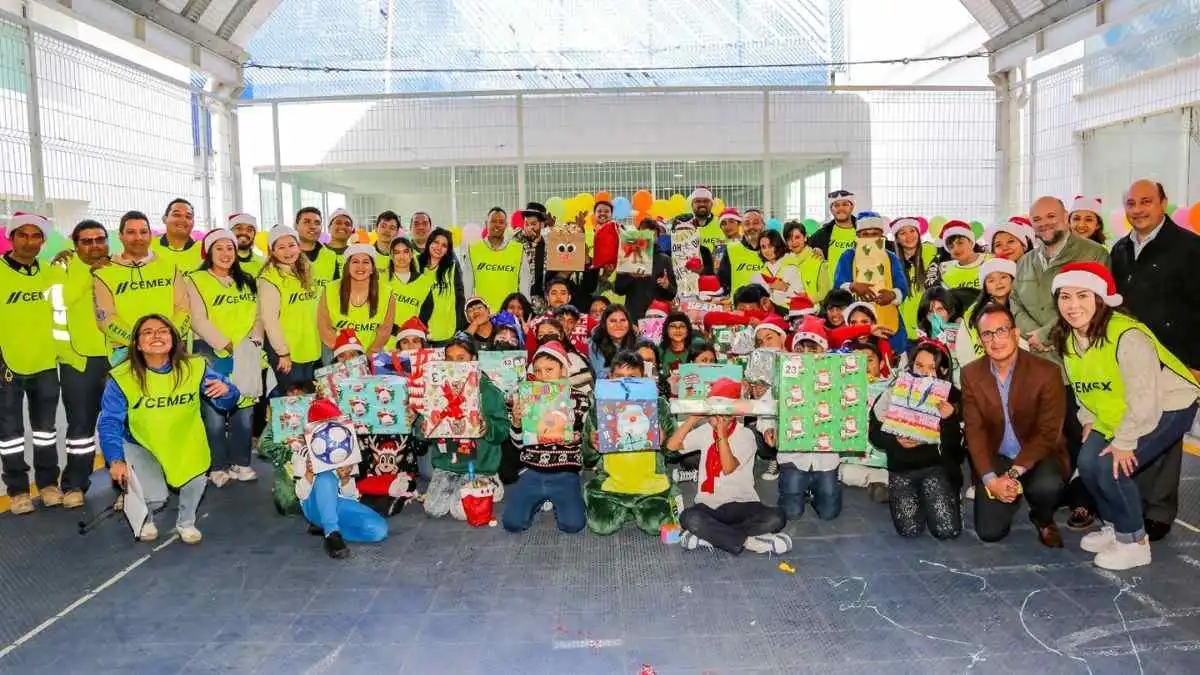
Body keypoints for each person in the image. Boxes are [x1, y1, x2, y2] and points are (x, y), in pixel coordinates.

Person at [1053, 262, 1199, 569]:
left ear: (1101, 299)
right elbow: (1084, 386)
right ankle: (1115, 527)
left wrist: (1125, 441)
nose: (1072, 305)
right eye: (1065, 297)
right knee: (1088, 463)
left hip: (1169, 404)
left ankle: (1134, 543)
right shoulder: (1068, 338)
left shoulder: (1128, 335)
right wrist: (1089, 418)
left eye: (1082, 295)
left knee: (1111, 466)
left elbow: (1144, 399)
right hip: (1116, 408)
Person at [1108, 180, 1200, 541]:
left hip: (1176, 358)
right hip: (1131, 354)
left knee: (1168, 431)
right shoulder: (1120, 249)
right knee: (1136, 421)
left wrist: (1196, 361)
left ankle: (1160, 510)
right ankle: (1136, 502)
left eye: (1146, 201)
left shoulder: (1190, 248)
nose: (1138, 209)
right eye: (1131, 203)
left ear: (1164, 202)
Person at [99, 315, 239, 544]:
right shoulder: (122, 377)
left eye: (163, 331)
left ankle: (186, 522)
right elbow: (109, 422)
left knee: (196, 481)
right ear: (137, 343)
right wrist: (115, 460)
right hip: (142, 443)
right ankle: (145, 516)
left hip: (186, 440)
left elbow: (227, 402)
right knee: (156, 498)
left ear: (173, 339)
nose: (156, 335)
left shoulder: (195, 367)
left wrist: (228, 391)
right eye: (148, 332)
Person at [960, 304, 1067, 548]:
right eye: (987, 334)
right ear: (980, 340)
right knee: (989, 533)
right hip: (996, 455)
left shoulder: (1047, 372)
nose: (995, 340)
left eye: (1002, 331)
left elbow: (1048, 432)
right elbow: (974, 431)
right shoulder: (971, 374)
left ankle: (1043, 517)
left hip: (1036, 454)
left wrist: (1012, 474)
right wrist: (990, 481)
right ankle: (1008, 497)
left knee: (1047, 485)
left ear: (1016, 334)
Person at [669, 378, 791, 555]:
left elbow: (728, 467)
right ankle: (748, 541)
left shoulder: (746, 435)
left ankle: (710, 536)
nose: (716, 418)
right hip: (710, 505)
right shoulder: (705, 432)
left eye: (721, 413)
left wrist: (721, 434)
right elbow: (672, 446)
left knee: (777, 517)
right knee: (689, 518)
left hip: (742, 503)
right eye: (712, 413)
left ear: (732, 414)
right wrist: (693, 419)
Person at [185, 229, 263, 486]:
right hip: (209, 351)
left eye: (230, 248)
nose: (226, 253)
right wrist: (224, 344)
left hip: (245, 350)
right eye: (219, 248)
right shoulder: (195, 280)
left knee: (244, 409)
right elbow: (197, 319)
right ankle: (217, 466)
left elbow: (258, 316)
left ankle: (241, 462)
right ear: (209, 251)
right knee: (215, 413)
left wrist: (254, 339)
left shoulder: (248, 280)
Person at [869, 340, 963, 539]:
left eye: (932, 368)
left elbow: (957, 448)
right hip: (902, 471)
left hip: (935, 470)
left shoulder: (953, 397)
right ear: (911, 365)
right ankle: (898, 494)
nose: (924, 373)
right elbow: (874, 435)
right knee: (909, 530)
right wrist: (895, 440)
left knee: (947, 530)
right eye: (919, 366)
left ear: (943, 370)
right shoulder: (893, 392)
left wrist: (949, 419)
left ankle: (947, 497)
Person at [48, 219, 113, 508]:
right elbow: (61, 301)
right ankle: (75, 484)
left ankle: (125, 486)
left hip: (117, 358)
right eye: (86, 241)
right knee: (81, 429)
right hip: (79, 360)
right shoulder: (61, 267)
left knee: (121, 425)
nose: (95, 245)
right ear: (75, 245)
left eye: (100, 239)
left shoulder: (118, 266)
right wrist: (89, 272)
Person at [0, 213, 61, 514]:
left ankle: (48, 485)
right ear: (11, 238)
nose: (29, 241)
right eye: (22, 235)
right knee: (9, 434)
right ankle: (18, 491)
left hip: (46, 364)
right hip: (7, 366)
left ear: (42, 241)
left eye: (35, 235)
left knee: (45, 431)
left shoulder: (51, 273)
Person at [412, 334, 509, 521]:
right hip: (448, 463)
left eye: (461, 358)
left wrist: (486, 427)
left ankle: (492, 482)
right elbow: (422, 432)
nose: (454, 363)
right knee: (433, 509)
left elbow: (503, 431)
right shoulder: (436, 388)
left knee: (461, 512)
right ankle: (460, 484)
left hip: (479, 464)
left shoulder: (489, 391)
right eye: (449, 358)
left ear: (473, 359)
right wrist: (423, 428)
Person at [582, 350, 678, 536]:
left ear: (643, 377)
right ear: (609, 378)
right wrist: (591, 444)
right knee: (601, 525)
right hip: (611, 485)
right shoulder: (599, 408)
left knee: (655, 524)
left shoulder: (658, 405)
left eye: (632, 378)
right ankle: (625, 508)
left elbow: (676, 452)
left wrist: (664, 439)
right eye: (619, 378)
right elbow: (586, 458)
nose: (625, 384)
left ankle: (641, 507)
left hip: (651, 486)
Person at [503, 341, 590, 533]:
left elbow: (589, 440)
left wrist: (578, 439)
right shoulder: (526, 397)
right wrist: (517, 423)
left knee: (573, 525)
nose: (543, 376)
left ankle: (559, 499)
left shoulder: (580, 399)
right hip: (532, 470)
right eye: (539, 371)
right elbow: (518, 444)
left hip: (565, 472)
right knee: (512, 523)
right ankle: (538, 501)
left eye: (549, 369)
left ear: (563, 371)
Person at [295, 398, 388, 558]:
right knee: (325, 477)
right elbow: (301, 495)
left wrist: (345, 479)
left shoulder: (348, 451)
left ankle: (328, 526)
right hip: (314, 505)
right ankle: (332, 534)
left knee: (379, 530)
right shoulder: (303, 454)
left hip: (340, 505)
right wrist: (309, 474)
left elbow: (351, 496)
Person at [92, 210, 190, 358]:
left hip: (170, 349)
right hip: (126, 351)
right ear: (120, 236)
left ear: (150, 235)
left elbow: (184, 310)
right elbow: (105, 319)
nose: (138, 237)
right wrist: (139, 342)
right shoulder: (104, 272)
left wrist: (166, 339)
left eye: (143, 232)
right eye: (131, 232)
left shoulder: (170, 267)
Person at [833, 212, 909, 357]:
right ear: (858, 236)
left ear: (882, 235)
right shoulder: (848, 256)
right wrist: (852, 286)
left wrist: (893, 294)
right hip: (857, 323)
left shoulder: (891, 257)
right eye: (865, 234)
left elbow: (902, 286)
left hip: (887, 318)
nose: (870, 237)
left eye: (875, 233)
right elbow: (837, 286)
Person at [258, 225, 322, 392]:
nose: (288, 251)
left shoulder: (306, 272)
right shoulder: (269, 279)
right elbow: (269, 320)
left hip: (310, 348)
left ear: (299, 246)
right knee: (289, 406)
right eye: (281, 247)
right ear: (272, 251)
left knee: (309, 401)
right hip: (287, 353)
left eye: (291, 245)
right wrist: (282, 353)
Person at [318, 243, 396, 356]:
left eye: (366, 262)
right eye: (355, 262)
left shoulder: (387, 292)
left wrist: (370, 353)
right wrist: (345, 354)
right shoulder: (330, 289)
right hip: (337, 352)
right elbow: (324, 326)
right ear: (347, 266)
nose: (360, 267)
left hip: (372, 351)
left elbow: (385, 329)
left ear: (372, 268)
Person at [956, 258, 1020, 369]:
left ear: (1013, 280)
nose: (998, 283)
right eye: (991, 280)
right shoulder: (974, 313)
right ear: (986, 288)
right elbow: (963, 348)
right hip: (984, 369)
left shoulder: (1022, 305)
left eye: (1003, 277)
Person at [462, 207, 523, 312]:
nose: (497, 225)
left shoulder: (519, 250)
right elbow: (467, 288)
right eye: (493, 221)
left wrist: (522, 314)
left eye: (501, 222)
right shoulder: (473, 250)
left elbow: (524, 287)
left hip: (509, 316)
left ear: (506, 225)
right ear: (486, 223)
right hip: (482, 316)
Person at [614, 217, 676, 320]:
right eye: (645, 234)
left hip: (657, 316)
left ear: (657, 237)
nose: (649, 238)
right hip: (633, 316)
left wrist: (667, 286)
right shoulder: (628, 256)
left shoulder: (665, 259)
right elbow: (618, 289)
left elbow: (672, 294)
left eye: (652, 235)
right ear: (638, 235)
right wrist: (631, 276)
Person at [889, 216, 936, 340]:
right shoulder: (892, 261)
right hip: (903, 330)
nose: (909, 236)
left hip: (930, 327)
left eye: (912, 231)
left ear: (918, 233)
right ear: (897, 239)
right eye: (902, 233)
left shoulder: (932, 252)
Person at [417, 228, 465, 344]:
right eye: (436, 242)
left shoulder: (451, 268)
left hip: (447, 332)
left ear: (448, 250)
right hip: (419, 332)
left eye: (444, 245)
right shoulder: (416, 263)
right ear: (429, 242)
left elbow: (459, 298)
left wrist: (458, 327)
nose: (439, 247)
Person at [808, 189, 859, 290]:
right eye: (836, 205)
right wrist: (816, 255)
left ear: (852, 207)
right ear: (831, 209)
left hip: (859, 292)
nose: (841, 208)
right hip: (832, 294)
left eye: (845, 204)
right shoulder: (822, 235)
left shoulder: (863, 231)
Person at [717, 208, 767, 298]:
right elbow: (723, 283)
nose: (751, 227)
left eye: (756, 223)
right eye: (747, 224)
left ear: (763, 225)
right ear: (742, 227)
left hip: (767, 307)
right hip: (739, 307)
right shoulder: (731, 249)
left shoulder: (775, 249)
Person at [386, 236, 434, 327]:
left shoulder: (424, 282)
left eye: (405, 252)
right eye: (397, 252)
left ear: (412, 254)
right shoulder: (381, 279)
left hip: (412, 337)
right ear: (391, 256)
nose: (401, 256)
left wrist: (409, 332)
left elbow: (425, 316)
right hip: (386, 338)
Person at [752, 229, 806, 311]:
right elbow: (755, 293)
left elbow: (797, 293)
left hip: (793, 313)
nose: (767, 250)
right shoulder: (761, 269)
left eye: (770, 246)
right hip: (769, 315)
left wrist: (781, 289)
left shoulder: (791, 263)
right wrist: (771, 286)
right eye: (763, 247)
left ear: (778, 245)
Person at [929, 220, 989, 291]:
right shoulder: (945, 271)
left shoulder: (991, 260)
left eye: (960, 243)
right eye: (951, 246)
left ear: (971, 242)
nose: (956, 249)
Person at [781, 219, 828, 305]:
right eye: (789, 239)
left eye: (797, 237)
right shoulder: (783, 262)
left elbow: (825, 293)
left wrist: (804, 301)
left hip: (813, 314)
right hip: (787, 312)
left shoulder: (818, 259)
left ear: (805, 237)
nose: (794, 242)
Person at [151, 198, 202, 273]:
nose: (183, 220)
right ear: (165, 219)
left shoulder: (205, 250)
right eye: (177, 215)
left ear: (193, 223)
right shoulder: (148, 247)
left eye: (188, 217)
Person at [294, 207, 339, 291]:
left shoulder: (331, 256)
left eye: (317, 223)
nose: (313, 226)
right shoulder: (286, 255)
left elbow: (335, 291)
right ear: (296, 226)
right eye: (307, 222)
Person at [589, 304, 638, 378]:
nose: (618, 325)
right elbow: (601, 376)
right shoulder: (596, 344)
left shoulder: (639, 341)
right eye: (613, 321)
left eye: (623, 320)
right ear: (605, 324)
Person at [689, 186, 724, 254]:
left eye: (706, 201)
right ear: (692, 205)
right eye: (698, 201)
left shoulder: (721, 223)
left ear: (711, 204)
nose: (702, 204)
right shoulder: (684, 225)